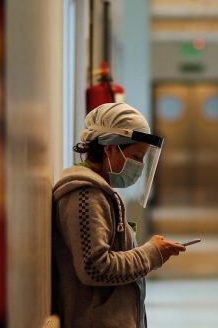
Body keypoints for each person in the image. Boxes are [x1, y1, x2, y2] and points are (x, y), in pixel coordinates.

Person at [52, 102, 185, 328]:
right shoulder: (85, 194)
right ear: (111, 148)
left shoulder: (100, 191)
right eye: (136, 157)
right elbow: (95, 267)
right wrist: (151, 254)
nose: (140, 165)